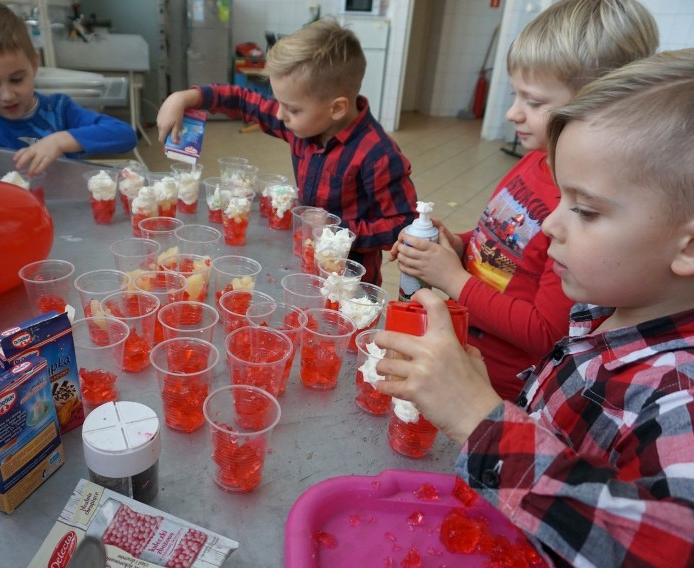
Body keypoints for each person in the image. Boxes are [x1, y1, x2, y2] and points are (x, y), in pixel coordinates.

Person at [376, 48, 694, 567]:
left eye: (585, 210)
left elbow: (667, 549)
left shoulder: (679, 394)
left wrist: (479, 418)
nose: (549, 226)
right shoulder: (601, 308)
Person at [390, 0, 658, 401]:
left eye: (533, 102)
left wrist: (451, 279)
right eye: (515, 95)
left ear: (597, 106)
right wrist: (457, 244)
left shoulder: (577, 212)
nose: (513, 113)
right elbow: (503, 244)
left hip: (498, 387)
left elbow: (546, 334)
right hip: (463, 346)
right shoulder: (533, 161)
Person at [156, 18, 417, 286]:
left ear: (337, 108)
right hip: (303, 263)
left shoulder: (377, 154)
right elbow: (244, 100)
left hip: (348, 281)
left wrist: (336, 230)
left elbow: (404, 223)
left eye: (292, 109)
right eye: (279, 103)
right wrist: (186, 98)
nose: (281, 115)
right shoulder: (303, 125)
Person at [0, 0, 136, 175]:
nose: (8, 95)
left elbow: (124, 134)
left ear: (34, 63)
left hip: (62, 217)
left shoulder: (59, 110)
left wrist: (60, 140)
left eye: (17, 79)